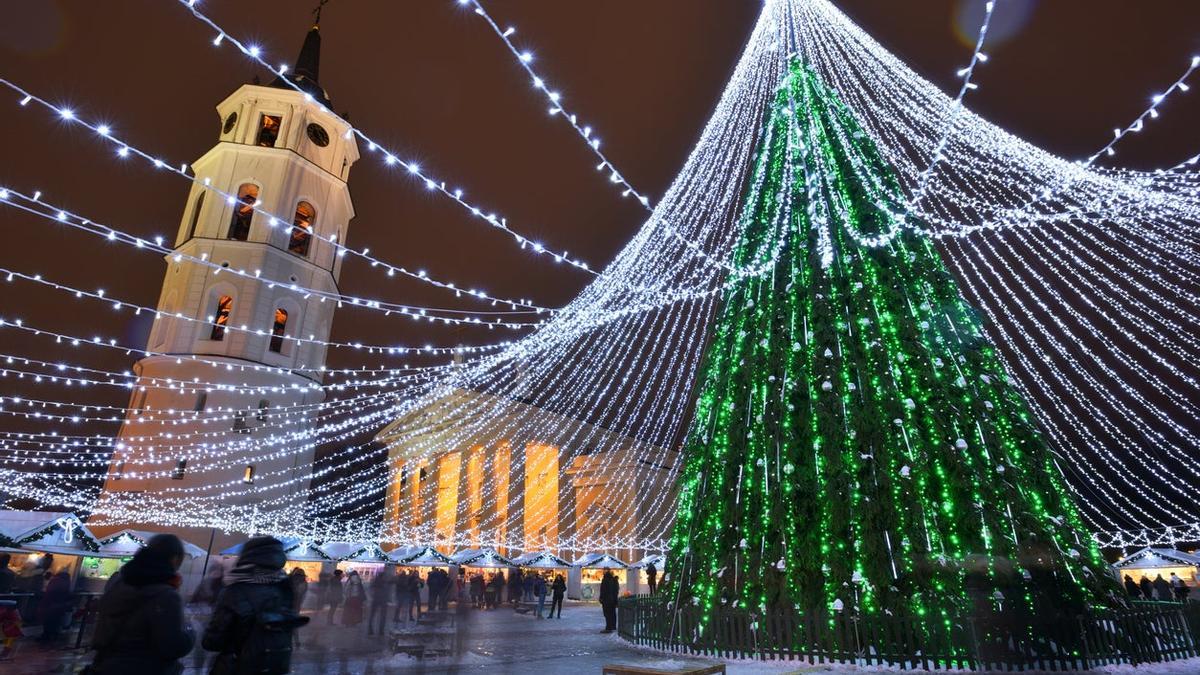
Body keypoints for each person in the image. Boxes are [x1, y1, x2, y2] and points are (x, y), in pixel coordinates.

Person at [89, 534, 195, 674]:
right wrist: (191, 633)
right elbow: (172, 645)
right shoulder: (165, 595)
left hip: (105, 665)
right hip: (145, 667)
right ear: (174, 559)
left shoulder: (118, 583)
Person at [202, 536, 308, 674]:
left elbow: (212, 641)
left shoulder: (236, 590)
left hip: (238, 667)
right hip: (273, 668)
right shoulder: (285, 589)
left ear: (247, 556)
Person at [36, 569, 72, 643]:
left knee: (48, 622)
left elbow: (49, 593)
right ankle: (53, 637)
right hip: (60, 606)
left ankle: (46, 637)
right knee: (55, 622)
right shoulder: (67, 582)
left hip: (51, 606)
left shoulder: (55, 581)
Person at [367, 567, 391, 636]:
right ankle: (381, 631)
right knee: (382, 616)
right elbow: (387, 590)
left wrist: (372, 595)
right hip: (382, 599)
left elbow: (371, 588)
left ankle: (370, 629)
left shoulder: (376, 580)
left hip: (376, 598)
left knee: (373, 615)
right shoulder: (385, 581)